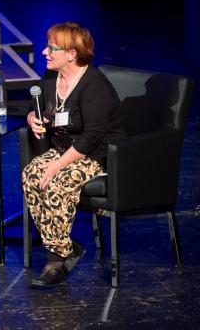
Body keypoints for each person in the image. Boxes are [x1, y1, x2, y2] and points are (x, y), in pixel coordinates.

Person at [22, 22, 125, 287]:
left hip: (97, 154)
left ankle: (56, 260)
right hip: (64, 148)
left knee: (57, 182)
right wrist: (32, 117)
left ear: (71, 53)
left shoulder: (94, 85)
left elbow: (92, 136)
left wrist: (57, 165)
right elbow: (42, 111)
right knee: (31, 175)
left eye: (51, 48)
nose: (44, 51)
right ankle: (69, 249)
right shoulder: (50, 78)